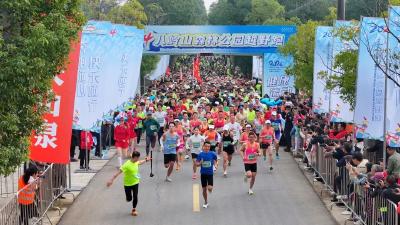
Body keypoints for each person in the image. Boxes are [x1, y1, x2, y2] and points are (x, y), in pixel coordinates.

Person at [107, 151, 151, 216]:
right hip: (127, 184)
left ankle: (134, 209)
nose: (138, 159)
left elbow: (140, 162)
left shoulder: (136, 162)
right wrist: (111, 180)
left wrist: (146, 160)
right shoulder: (126, 165)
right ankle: (128, 198)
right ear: (135, 157)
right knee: (129, 198)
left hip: (136, 182)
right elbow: (118, 173)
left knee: (135, 196)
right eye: (138, 158)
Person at [196, 141, 218, 208]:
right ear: (203, 146)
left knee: (210, 188)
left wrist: (215, 165)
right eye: (206, 146)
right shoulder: (200, 154)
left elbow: (215, 160)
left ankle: (210, 189)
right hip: (203, 174)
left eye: (208, 147)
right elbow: (196, 164)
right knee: (204, 189)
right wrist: (200, 163)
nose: (207, 148)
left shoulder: (212, 154)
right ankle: (206, 202)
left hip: (210, 173)